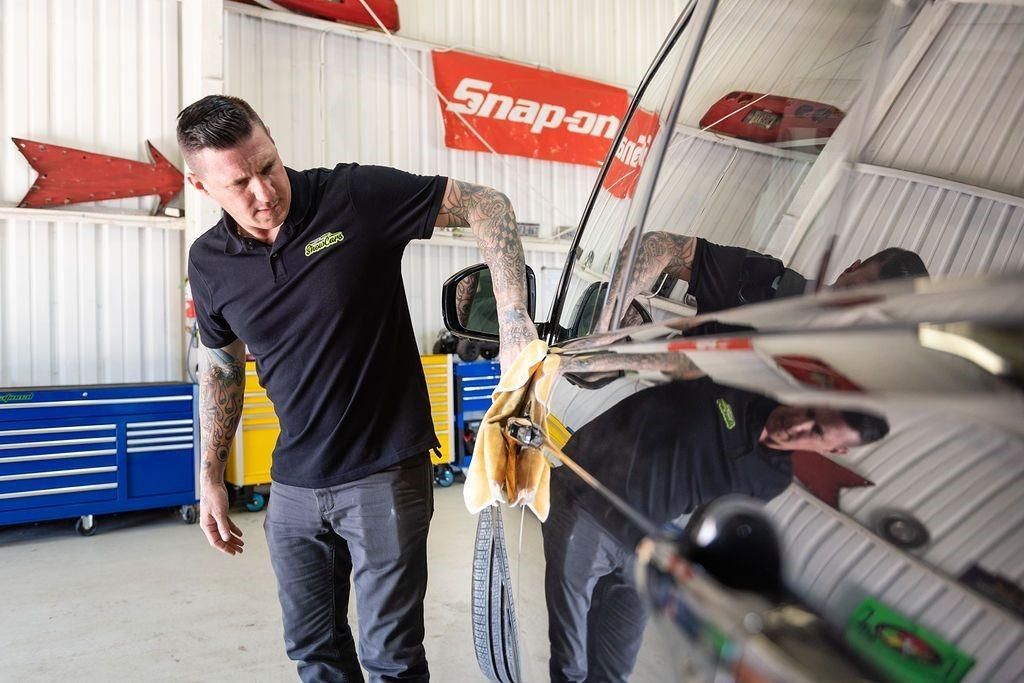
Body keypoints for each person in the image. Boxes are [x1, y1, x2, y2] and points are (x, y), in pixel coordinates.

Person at [179, 94, 537, 682]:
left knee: (390, 660)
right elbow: (221, 368)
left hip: (384, 473)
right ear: (201, 186)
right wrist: (211, 475)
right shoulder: (209, 262)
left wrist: (515, 322)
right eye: (239, 182)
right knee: (313, 652)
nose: (264, 191)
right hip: (293, 484)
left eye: (268, 165)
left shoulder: (351, 196)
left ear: (273, 142)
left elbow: (486, 203)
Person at [542, 373, 889, 682]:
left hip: (645, 540)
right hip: (589, 505)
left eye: (816, 431)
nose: (799, 424)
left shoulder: (773, 477)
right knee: (570, 659)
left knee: (616, 664)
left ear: (834, 448)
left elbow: (713, 520)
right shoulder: (733, 390)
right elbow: (675, 365)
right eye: (810, 411)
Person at [599, 232, 929, 329]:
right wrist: (607, 324)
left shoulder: (824, 391)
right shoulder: (762, 282)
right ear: (850, 268)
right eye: (854, 291)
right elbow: (656, 246)